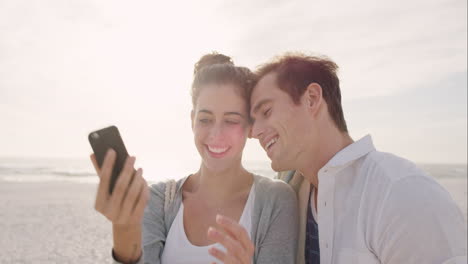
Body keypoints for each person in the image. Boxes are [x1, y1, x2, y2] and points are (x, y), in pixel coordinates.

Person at [212, 52, 467, 264]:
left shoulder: (402, 192)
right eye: (253, 121)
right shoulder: (290, 196)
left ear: (312, 99)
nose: (254, 133)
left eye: (266, 111)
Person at [90, 53, 298, 264]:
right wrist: (124, 228)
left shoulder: (275, 200)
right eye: (205, 119)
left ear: (250, 126)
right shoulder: (159, 200)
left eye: (231, 121)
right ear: (192, 120)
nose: (216, 134)